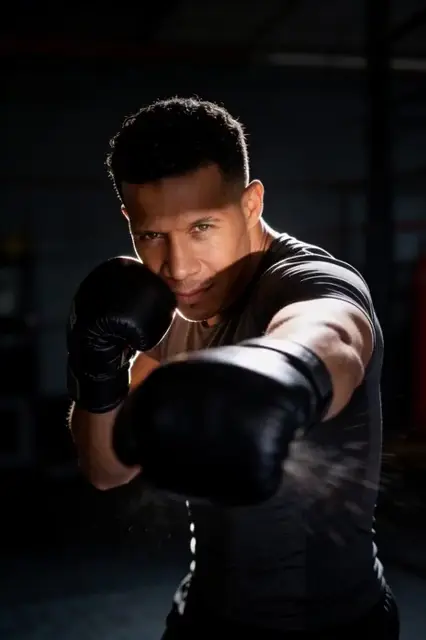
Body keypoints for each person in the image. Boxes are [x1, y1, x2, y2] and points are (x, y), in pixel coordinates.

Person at [66, 97, 399, 639]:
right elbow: (106, 470)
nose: (179, 268)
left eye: (202, 227)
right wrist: (95, 370)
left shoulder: (303, 282)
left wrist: (282, 373)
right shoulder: (163, 305)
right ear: (128, 220)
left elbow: (333, 330)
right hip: (203, 615)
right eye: (152, 235)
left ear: (251, 203)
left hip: (329, 627)